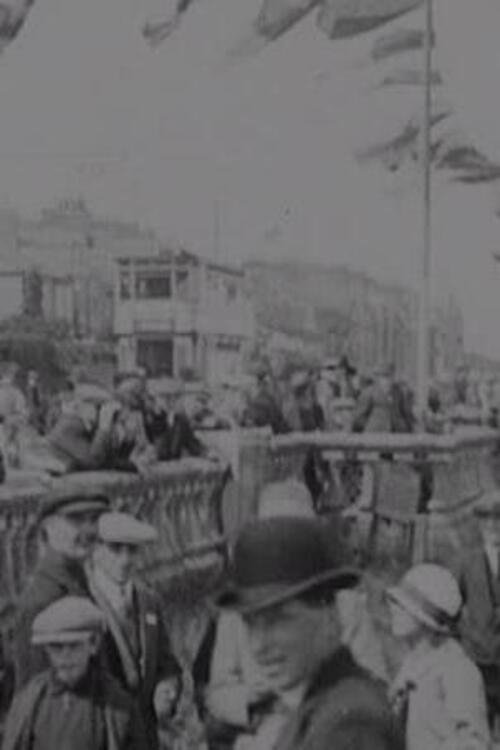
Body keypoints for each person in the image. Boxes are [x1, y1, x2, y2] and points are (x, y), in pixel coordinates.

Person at [215, 515, 399, 750]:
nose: (258, 645)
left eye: (278, 620)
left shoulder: (350, 724)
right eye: (250, 624)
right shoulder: (318, 706)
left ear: (330, 618)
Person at [86, 512, 182, 749]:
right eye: (115, 549)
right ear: (95, 550)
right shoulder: (85, 604)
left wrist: (167, 688)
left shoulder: (150, 601)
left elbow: (167, 663)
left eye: (132, 551)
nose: (125, 560)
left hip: (146, 737)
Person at [3, 596, 148, 750]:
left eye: (74, 646)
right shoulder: (30, 702)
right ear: (46, 650)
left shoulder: (117, 705)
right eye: (57, 647)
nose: (66, 656)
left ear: (93, 644)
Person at [387, 563, 490, 750]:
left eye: (403, 605)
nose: (393, 608)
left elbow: (475, 744)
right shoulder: (412, 663)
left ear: (427, 620)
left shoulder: (457, 670)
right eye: (395, 602)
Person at [14, 491, 110, 688]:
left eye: (93, 520)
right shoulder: (42, 599)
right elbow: (37, 694)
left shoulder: (77, 580)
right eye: (76, 520)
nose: (88, 530)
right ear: (47, 529)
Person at [46, 384, 121, 473]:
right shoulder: (69, 426)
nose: (101, 412)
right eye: (98, 408)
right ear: (81, 406)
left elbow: (110, 459)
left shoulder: (82, 424)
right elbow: (93, 462)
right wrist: (103, 429)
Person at [145, 380, 206, 461]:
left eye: (176, 397)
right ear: (156, 399)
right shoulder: (148, 418)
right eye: (165, 396)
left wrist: (205, 453)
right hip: (146, 467)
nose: (170, 401)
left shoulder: (181, 420)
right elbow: (145, 446)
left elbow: (192, 444)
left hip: (170, 467)